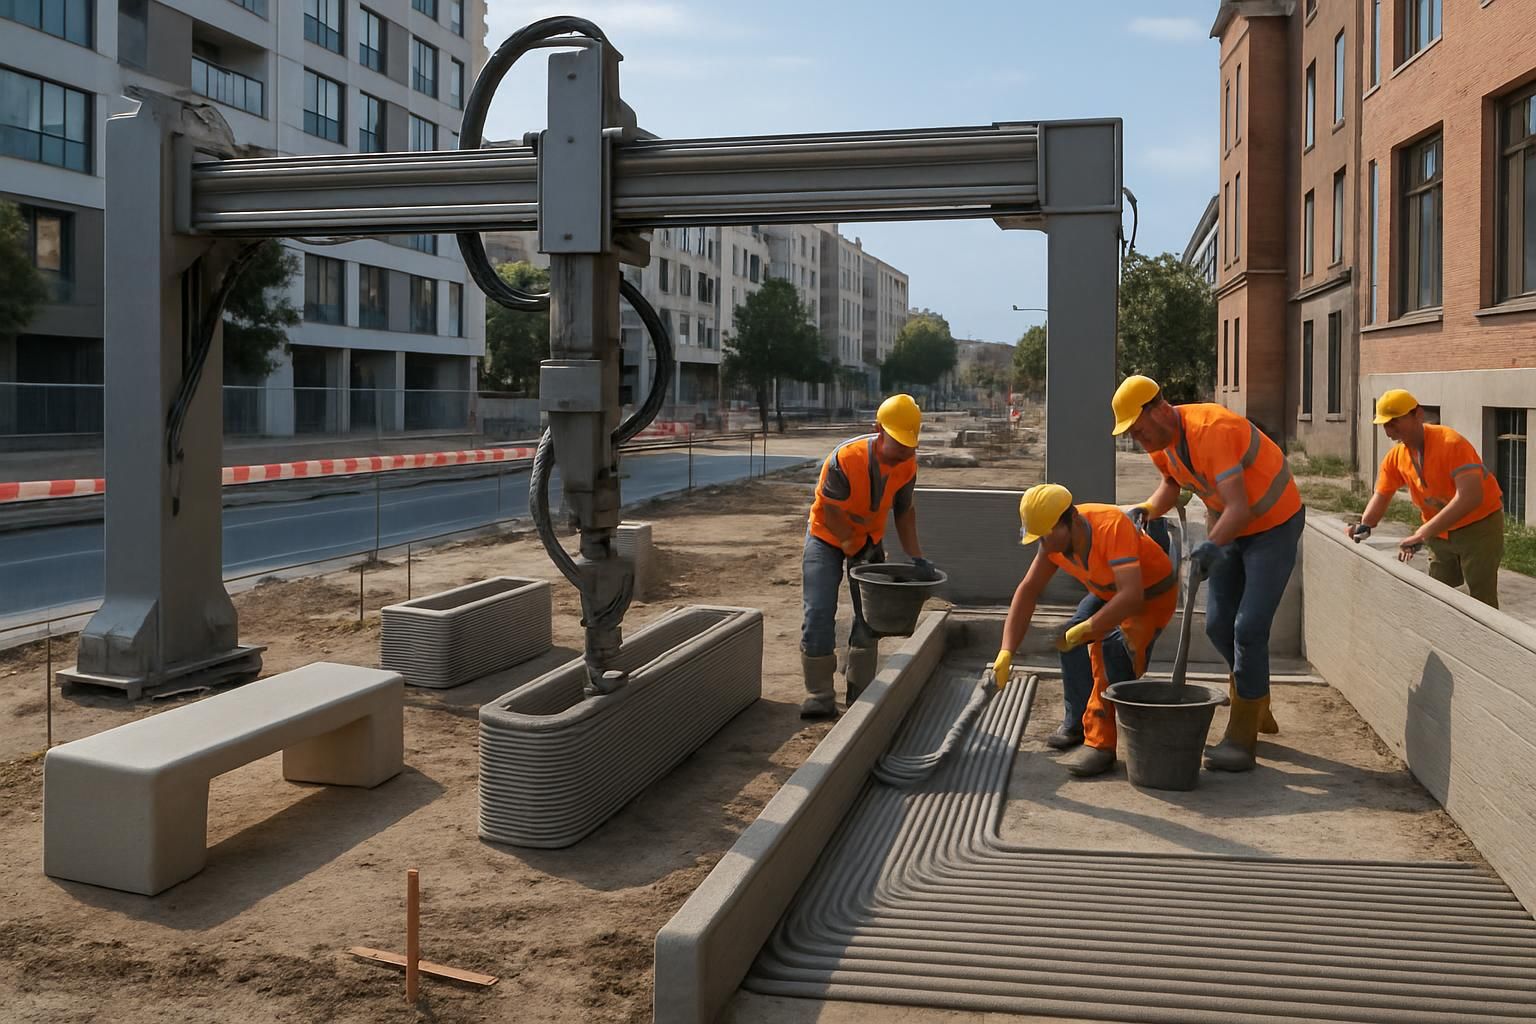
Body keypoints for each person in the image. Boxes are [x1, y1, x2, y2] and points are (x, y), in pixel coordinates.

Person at [1111, 375, 1304, 772]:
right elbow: (1172, 485)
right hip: (1231, 527)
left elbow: (1240, 507)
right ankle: (1257, 700)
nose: (1139, 440)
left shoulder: (1210, 430)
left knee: (1249, 627)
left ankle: (1241, 739)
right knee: (1218, 625)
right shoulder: (1162, 443)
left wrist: (1213, 545)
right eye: (1133, 435)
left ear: (1160, 409)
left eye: (1141, 429)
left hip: (1273, 525)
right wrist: (1148, 509)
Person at [992, 484, 1178, 776]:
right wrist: (1006, 651)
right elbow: (1028, 591)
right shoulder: (1051, 543)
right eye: (1038, 537)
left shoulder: (1110, 527)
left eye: (1048, 535)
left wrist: (1091, 628)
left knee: (1109, 650)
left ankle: (1100, 745)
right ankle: (1077, 720)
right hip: (1107, 590)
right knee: (1068, 637)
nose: (1044, 544)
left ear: (1073, 520)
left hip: (1150, 596)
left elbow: (1131, 596)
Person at [801, 394, 937, 718]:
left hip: (868, 540)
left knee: (869, 618)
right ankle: (819, 695)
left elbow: (904, 512)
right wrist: (852, 545)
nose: (904, 452)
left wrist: (916, 556)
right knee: (818, 610)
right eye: (898, 444)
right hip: (826, 537)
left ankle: (859, 695)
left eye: (910, 445)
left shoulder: (908, 463)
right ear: (878, 430)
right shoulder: (844, 459)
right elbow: (830, 512)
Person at [1349, 389, 1504, 608]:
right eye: (1385, 424)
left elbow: (1470, 497)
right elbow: (1382, 494)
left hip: (1479, 524)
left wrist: (1422, 534)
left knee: (1480, 597)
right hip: (1439, 532)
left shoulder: (1451, 443)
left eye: (1394, 422)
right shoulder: (1396, 457)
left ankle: (1488, 641)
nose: (1389, 431)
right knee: (1437, 591)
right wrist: (1365, 525)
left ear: (1418, 414)